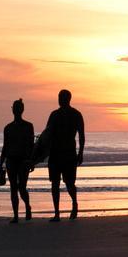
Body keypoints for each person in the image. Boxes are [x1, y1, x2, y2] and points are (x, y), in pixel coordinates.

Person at [46, 88, 85, 221]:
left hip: (68, 153)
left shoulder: (75, 114)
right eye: (59, 97)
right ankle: (57, 213)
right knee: (55, 183)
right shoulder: (54, 115)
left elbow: (81, 136)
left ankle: (74, 203)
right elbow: (47, 135)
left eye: (61, 97)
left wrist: (80, 153)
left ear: (67, 99)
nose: (59, 99)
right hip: (56, 153)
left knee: (69, 183)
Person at [0, 98, 34, 223]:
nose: (16, 109)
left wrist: (31, 161)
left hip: (23, 160)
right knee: (13, 188)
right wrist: (0, 164)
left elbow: (31, 146)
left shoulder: (28, 126)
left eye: (18, 107)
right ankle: (16, 216)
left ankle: (28, 207)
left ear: (22, 110)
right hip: (11, 160)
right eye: (14, 107)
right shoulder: (7, 128)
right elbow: (5, 147)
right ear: (12, 110)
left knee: (22, 187)